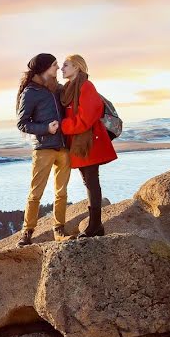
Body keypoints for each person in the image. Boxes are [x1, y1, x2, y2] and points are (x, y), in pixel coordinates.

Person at [15, 53, 71, 246]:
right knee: (36, 193)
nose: (57, 68)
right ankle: (27, 232)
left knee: (61, 192)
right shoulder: (30, 92)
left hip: (63, 147)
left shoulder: (57, 88)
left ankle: (59, 230)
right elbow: (22, 123)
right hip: (44, 148)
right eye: (54, 65)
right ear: (44, 68)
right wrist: (46, 129)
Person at [59, 54, 117, 237]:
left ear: (77, 67)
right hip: (78, 142)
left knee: (91, 181)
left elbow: (87, 118)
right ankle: (96, 225)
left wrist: (62, 127)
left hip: (89, 141)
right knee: (88, 181)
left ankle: (95, 225)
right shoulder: (68, 88)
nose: (62, 68)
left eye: (66, 65)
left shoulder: (86, 86)